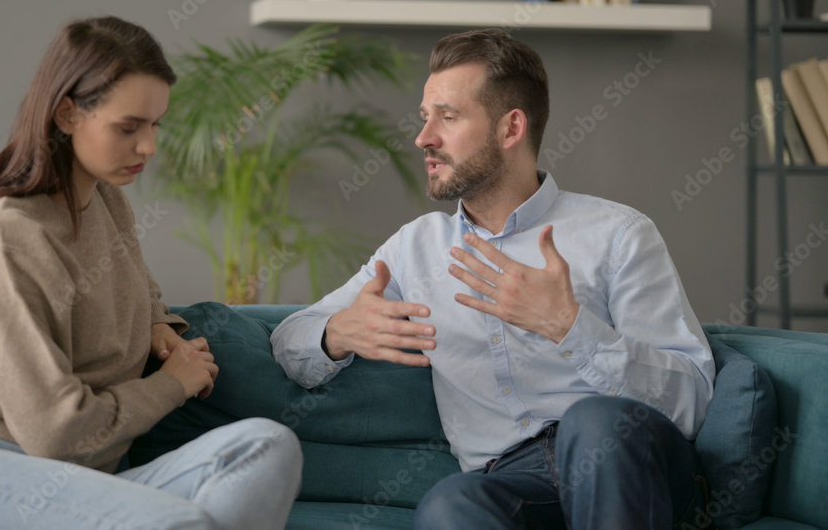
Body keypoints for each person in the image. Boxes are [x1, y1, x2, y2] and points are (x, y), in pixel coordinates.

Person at [271, 28, 714, 529]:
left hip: (631, 465)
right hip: (515, 481)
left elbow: (693, 401)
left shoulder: (617, 234)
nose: (424, 138)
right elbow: (290, 338)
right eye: (424, 118)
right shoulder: (416, 248)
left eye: (448, 117)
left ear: (510, 129)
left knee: (593, 423)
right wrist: (337, 333)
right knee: (451, 505)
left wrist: (570, 327)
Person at [0, 16, 302, 530]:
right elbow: (54, 432)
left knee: (268, 446)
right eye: (128, 127)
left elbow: (138, 283)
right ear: (66, 114)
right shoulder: (4, 233)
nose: (149, 147)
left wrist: (158, 325)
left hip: (86, 482)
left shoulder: (106, 200)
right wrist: (171, 384)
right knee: (177, 523)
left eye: (156, 125)